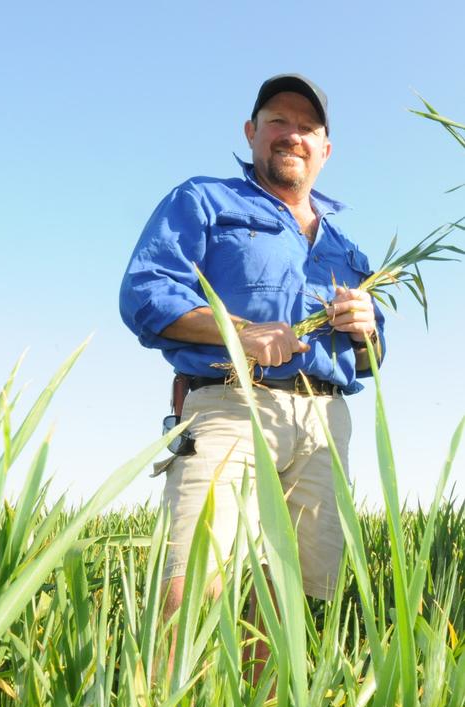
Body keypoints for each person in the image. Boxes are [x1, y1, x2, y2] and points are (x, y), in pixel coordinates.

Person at [119, 73, 384, 623]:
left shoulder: (346, 249)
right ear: (251, 132)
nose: (293, 135)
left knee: (297, 599)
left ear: (325, 149)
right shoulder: (204, 199)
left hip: (325, 425)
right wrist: (236, 330)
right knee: (191, 589)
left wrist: (368, 330)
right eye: (278, 122)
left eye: (307, 127)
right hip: (232, 403)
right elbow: (144, 294)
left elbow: (370, 363)